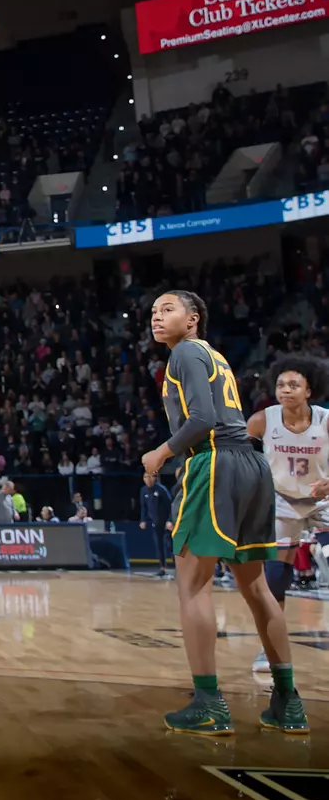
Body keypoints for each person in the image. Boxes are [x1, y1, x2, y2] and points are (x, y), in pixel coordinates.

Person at [141, 290, 306, 735]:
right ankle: (288, 703)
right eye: (153, 312)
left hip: (214, 462)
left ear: (193, 319)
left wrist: (160, 453)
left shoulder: (185, 354)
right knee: (256, 589)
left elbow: (202, 419)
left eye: (167, 309)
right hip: (251, 466)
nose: (156, 317)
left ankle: (209, 703)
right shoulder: (212, 355)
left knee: (193, 587)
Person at [246, 354, 329, 674]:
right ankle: (270, 651)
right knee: (275, 579)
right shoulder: (263, 420)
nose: (286, 390)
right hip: (281, 501)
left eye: (294, 384)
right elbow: (233, 451)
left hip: (322, 501)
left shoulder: (324, 420)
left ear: (309, 390)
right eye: (281, 384)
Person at [139, 473, 174, 578]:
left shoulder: (162, 490)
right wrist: (143, 520)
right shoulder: (143, 491)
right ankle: (162, 568)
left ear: (156, 478)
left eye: (150, 477)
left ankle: (179, 567)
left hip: (166, 522)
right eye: (145, 477)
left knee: (170, 545)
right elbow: (144, 507)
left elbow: (171, 506)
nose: (148, 480)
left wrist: (170, 520)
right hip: (156, 522)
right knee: (159, 545)